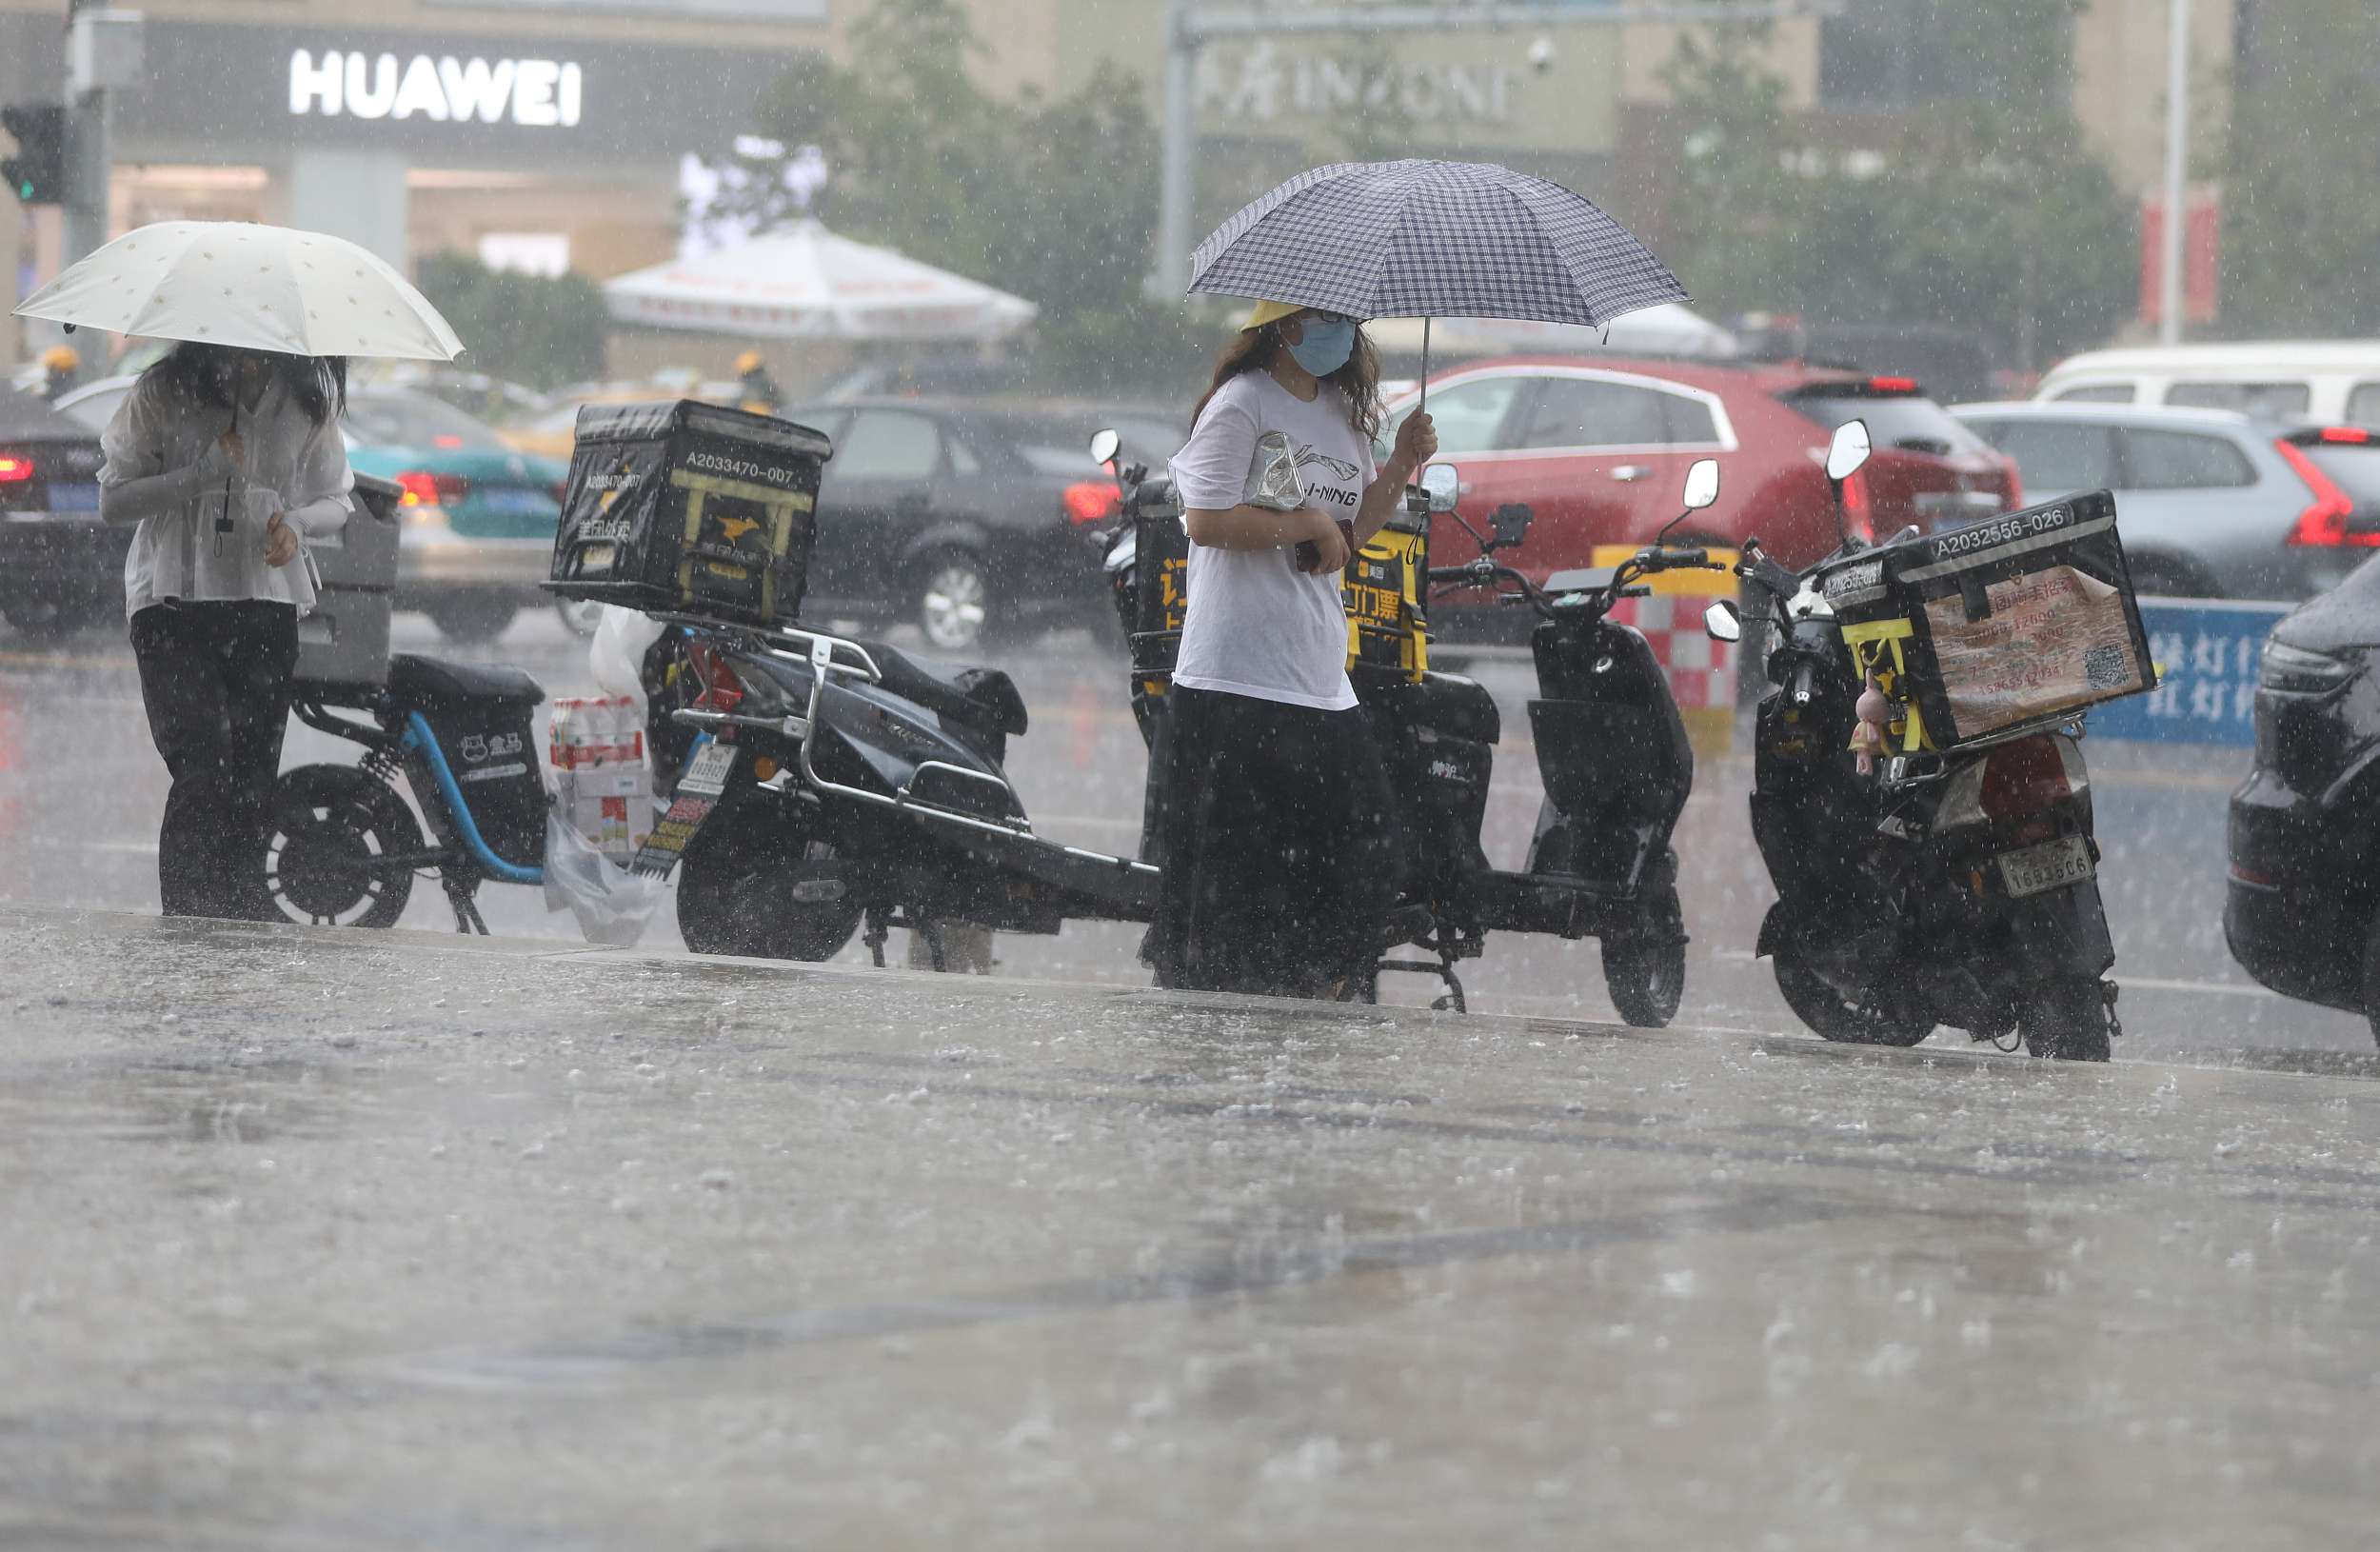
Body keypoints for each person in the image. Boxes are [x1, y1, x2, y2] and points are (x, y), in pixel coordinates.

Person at [1150, 300, 1438, 997]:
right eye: (1327, 319)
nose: (1344, 334)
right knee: (1237, 887)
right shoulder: (1242, 403)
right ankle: (1238, 1026)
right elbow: (1207, 521)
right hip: (1235, 679)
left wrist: (1399, 464)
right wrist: (1302, 519)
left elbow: (1352, 532)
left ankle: (1303, 1001)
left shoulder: (1341, 412)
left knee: (1365, 861)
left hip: (1316, 675)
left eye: (1349, 321)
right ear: (1284, 328)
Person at [98, 343, 354, 920]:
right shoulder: (164, 392)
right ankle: (190, 921)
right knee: (204, 769)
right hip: (172, 604)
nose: (249, 358)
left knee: (252, 778)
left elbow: (335, 495)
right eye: (239, 347)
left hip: (264, 602)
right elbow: (113, 501)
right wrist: (202, 474)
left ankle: (240, 919)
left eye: (263, 348)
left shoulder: (305, 402)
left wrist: (295, 522)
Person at [736, 350, 783, 415]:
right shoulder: (741, 398)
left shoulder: (772, 392)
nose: (753, 379)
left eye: (755, 373)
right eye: (747, 376)